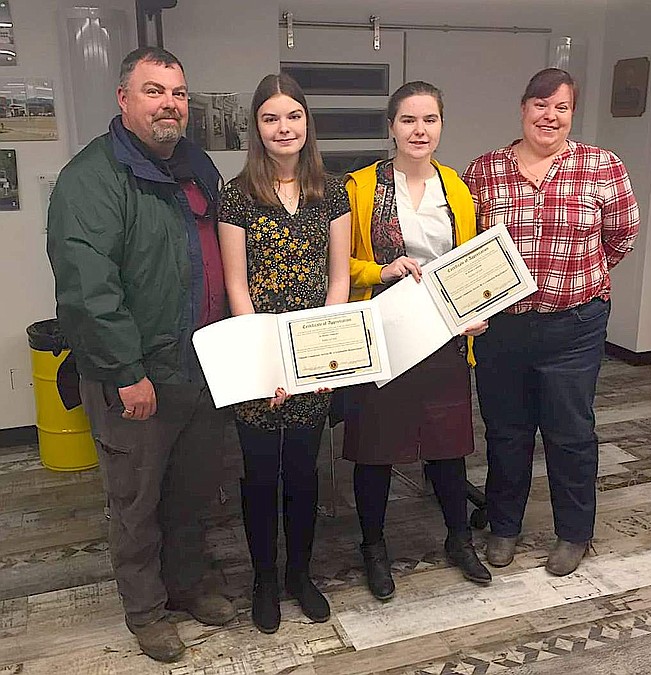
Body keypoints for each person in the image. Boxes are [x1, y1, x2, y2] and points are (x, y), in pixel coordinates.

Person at [46, 47, 234, 663]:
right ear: (123, 100)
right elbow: (87, 292)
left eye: (178, 93)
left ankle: (185, 585)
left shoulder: (196, 165)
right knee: (136, 501)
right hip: (137, 378)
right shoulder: (90, 180)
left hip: (200, 367)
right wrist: (127, 373)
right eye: (153, 91)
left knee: (192, 492)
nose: (169, 104)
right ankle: (146, 610)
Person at [462, 68, 639, 576]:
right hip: (504, 329)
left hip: (574, 326)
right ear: (523, 108)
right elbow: (469, 246)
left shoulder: (601, 166)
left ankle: (574, 533)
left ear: (571, 114)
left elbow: (621, 235)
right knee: (506, 431)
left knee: (570, 432)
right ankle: (503, 526)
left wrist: (580, 278)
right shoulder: (485, 170)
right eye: (541, 105)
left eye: (561, 107)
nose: (550, 116)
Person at [344, 81, 492, 602]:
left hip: (445, 338)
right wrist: (381, 270)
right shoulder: (358, 187)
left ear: (441, 125)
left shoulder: (456, 186)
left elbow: (472, 261)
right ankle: (374, 547)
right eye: (408, 120)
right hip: (384, 336)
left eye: (430, 119)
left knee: (448, 447)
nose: (419, 130)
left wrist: (477, 313)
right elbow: (338, 264)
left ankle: (457, 538)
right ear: (391, 127)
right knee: (375, 452)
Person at [218, 73, 350, 633]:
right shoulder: (236, 194)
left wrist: (319, 357)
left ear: (306, 123)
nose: (283, 128)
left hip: (314, 356)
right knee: (259, 474)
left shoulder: (332, 191)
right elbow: (237, 289)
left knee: (303, 471)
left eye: (292, 116)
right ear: (257, 127)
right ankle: (264, 578)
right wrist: (268, 362)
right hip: (260, 356)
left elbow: (339, 279)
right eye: (270, 118)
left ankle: (300, 573)